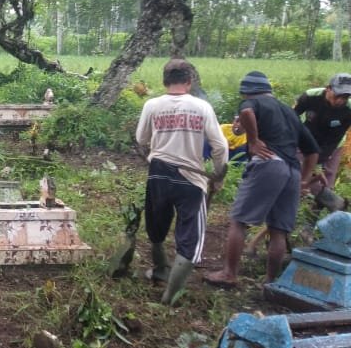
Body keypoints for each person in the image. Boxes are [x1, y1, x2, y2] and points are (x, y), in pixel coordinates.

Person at [205, 71, 320, 287]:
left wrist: (253, 141)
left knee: (239, 221)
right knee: (278, 230)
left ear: (246, 92)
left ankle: (229, 274)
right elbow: (313, 151)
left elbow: (246, 111)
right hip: (292, 171)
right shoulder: (289, 112)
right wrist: (304, 180)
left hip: (269, 164)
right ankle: (270, 282)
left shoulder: (252, 102)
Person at [134, 59, 228, 306]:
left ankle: (160, 269)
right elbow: (220, 146)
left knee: (156, 224)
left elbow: (141, 138)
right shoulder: (202, 107)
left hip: (158, 173)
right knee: (190, 237)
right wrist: (218, 176)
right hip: (191, 178)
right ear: (189, 81)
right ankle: (169, 296)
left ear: (165, 81)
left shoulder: (152, 105)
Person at [294, 73, 351, 194]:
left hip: (332, 145)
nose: (340, 101)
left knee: (325, 179)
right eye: (337, 95)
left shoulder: (349, 109)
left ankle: (321, 201)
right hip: (306, 139)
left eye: (345, 97)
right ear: (328, 88)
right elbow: (292, 116)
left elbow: (334, 139)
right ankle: (298, 196)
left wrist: (318, 164)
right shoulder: (310, 96)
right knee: (299, 171)